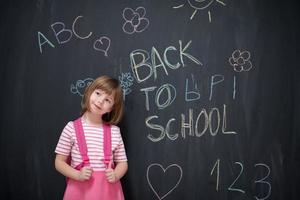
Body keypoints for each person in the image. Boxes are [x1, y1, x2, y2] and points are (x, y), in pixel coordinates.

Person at [55, 75, 128, 200]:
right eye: (98, 93)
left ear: (111, 108)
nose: (100, 101)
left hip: (108, 192)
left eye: (107, 100)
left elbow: (122, 163)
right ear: (89, 92)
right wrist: (77, 175)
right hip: (79, 192)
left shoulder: (115, 132)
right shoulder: (71, 128)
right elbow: (59, 162)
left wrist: (116, 174)